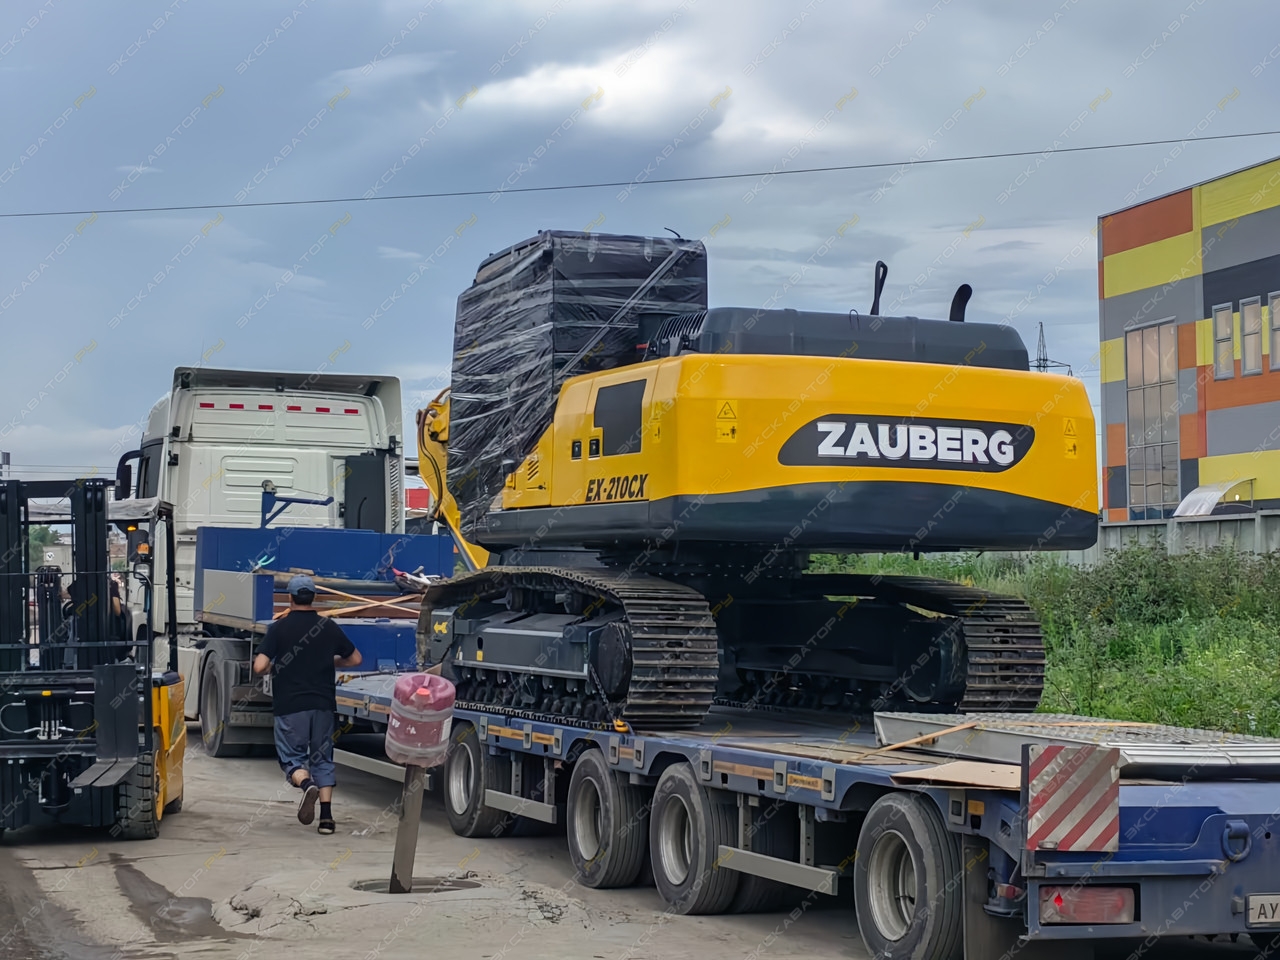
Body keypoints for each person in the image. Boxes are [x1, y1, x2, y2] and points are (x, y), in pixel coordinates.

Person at [253, 575, 362, 834]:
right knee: (323, 759)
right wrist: (332, 661)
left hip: (291, 706)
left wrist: (273, 667)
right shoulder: (328, 626)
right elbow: (355, 659)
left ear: (289, 598)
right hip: (323, 705)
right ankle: (327, 819)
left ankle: (306, 786)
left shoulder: (279, 628)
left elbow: (259, 666)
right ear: (314, 598)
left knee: (292, 759)